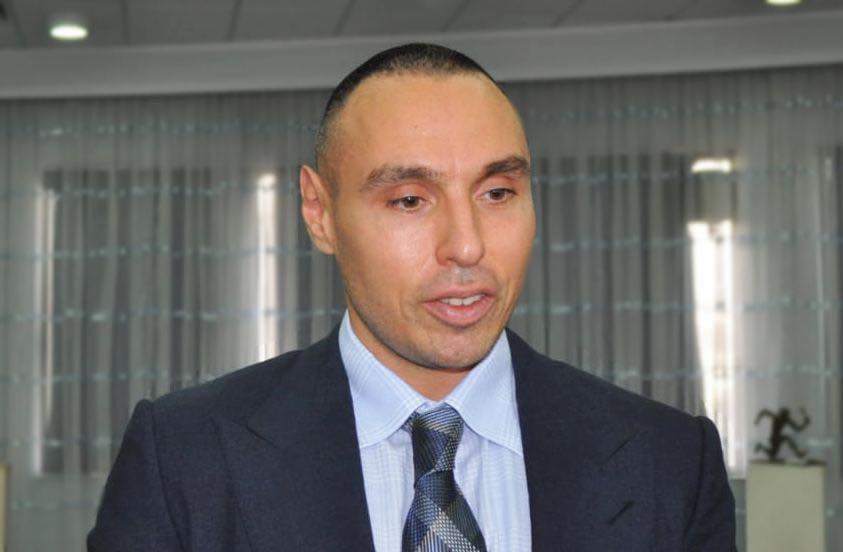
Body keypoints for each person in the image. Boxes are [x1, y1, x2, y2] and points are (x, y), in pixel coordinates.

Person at [87, 43, 735, 552]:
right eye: (408, 201)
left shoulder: (670, 461)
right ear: (319, 213)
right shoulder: (186, 458)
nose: (467, 246)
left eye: (497, 193)